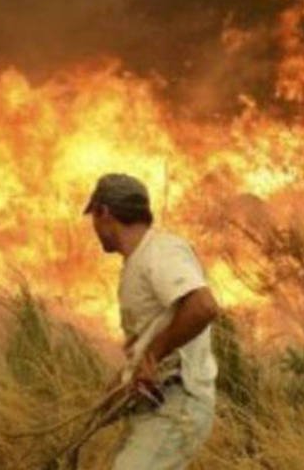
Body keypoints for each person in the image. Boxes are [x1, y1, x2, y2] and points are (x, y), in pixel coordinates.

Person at [84, 173, 219, 470]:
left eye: (93, 216)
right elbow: (151, 339)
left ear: (104, 212)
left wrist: (153, 354)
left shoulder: (160, 250)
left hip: (178, 400)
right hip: (160, 404)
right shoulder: (138, 261)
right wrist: (120, 387)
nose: (93, 228)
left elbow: (203, 306)